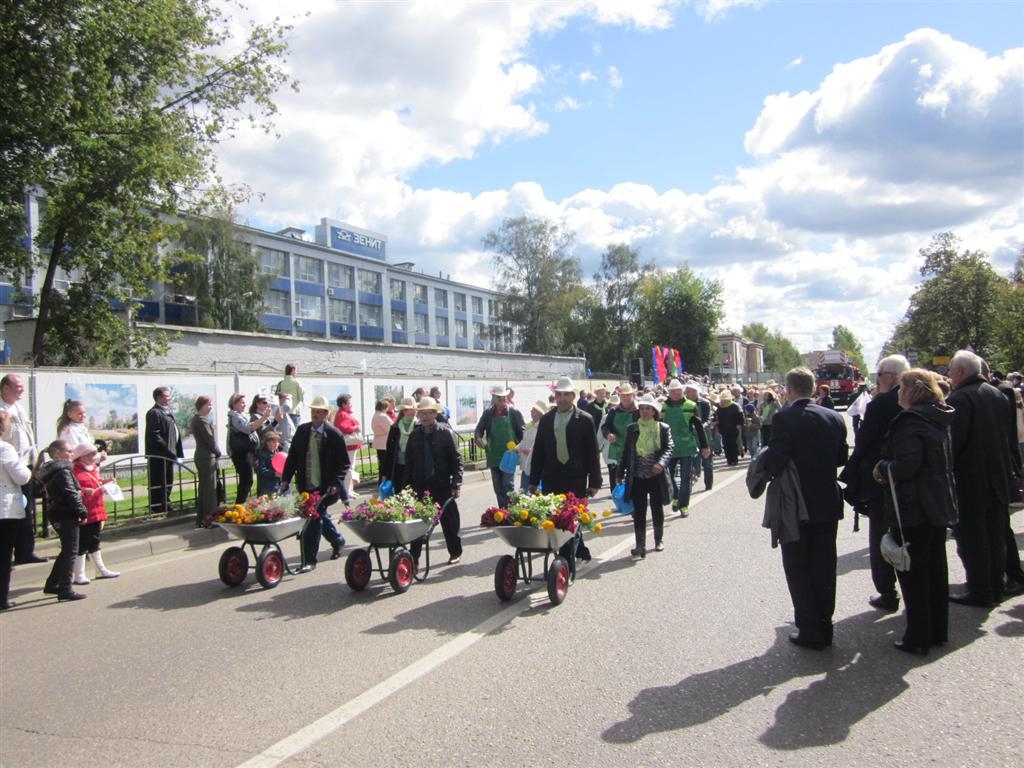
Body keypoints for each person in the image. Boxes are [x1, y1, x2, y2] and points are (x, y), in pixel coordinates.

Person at [761, 367, 849, 650]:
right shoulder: (834, 417)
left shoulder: (784, 417)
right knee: (824, 564)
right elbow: (839, 457)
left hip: (795, 501)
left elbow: (776, 459)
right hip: (826, 498)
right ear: (812, 388)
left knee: (798, 565)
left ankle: (809, 628)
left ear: (788, 389)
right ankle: (825, 623)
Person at [872, 369, 958, 655]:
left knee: (912, 572)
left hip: (913, 505)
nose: (897, 393)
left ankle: (918, 636)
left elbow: (907, 466)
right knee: (934, 569)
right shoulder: (937, 416)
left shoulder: (910, 421)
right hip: (936, 501)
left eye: (901, 389)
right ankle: (936, 630)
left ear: (911, 391)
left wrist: (883, 468)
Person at [946, 350, 1016, 607]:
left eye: (951, 371)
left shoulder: (961, 398)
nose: (949, 376)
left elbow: (954, 443)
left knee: (973, 537)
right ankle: (995, 585)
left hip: (971, 480)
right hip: (997, 476)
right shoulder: (995, 393)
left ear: (961, 372)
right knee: (995, 535)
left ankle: (979, 589)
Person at [839, 354, 909, 612]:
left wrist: (850, 474)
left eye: (878, 375)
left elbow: (865, 441)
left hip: (883, 481)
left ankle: (888, 593)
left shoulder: (883, 404)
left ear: (891, 376)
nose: (876, 381)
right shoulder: (925, 399)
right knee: (912, 538)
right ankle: (916, 595)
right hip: (914, 482)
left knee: (882, 538)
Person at [529, 377, 602, 562]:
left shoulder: (585, 420)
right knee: (555, 519)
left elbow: (592, 453)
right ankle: (578, 551)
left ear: (573, 396)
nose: (562, 398)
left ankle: (565, 561)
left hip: (575, 477)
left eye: (566, 395)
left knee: (571, 518)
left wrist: (594, 482)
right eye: (559, 394)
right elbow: (539, 451)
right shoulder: (546, 420)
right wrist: (533, 480)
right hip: (551, 477)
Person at [281, 395, 349, 568]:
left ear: (326, 414)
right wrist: (286, 479)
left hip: (326, 486)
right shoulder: (303, 431)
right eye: (313, 411)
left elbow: (344, 463)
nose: (315, 414)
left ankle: (309, 560)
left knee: (312, 518)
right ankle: (338, 540)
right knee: (318, 516)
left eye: (319, 411)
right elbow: (293, 458)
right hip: (306, 483)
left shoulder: (334, 434)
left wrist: (336, 482)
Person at [404, 397, 463, 565]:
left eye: (429, 413)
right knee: (418, 524)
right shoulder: (415, 436)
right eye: (422, 413)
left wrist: (456, 483)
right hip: (420, 485)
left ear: (435, 414)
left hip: (442, 484)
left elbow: (456, 460)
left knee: (450, 521)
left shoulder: (445, 433)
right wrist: (405, 487)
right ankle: (413, 560)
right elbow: (409, 463)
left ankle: (455, 552)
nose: (425, 416)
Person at [620, 393, 674, 558]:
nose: (644, 411)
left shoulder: (663, 428)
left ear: (654, 412)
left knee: (657, 508)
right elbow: (626, 451)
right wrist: (620, 472)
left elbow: (670, 447)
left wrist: (661, 463)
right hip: (637, 476)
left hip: (656, 476)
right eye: (642, 408)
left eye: (648, 409)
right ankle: (640, 545)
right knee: (639, 511)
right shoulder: (632, 428)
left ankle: (658, 540)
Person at [0, 373, 45, 564]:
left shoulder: (18, 407)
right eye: (17, 386)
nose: (22, 390)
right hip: (7, 464)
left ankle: (25, 551)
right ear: (6, 388)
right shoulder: (2, 409)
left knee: (27, 509)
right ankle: (10, 551)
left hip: (24, 462)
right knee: (11, 509)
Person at [35, 441, 89, 601]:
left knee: (66, 550)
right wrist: (81, 510)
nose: (72, 453)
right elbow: (70, 493)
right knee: (71, 551)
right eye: (69, 450)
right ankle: (65, 588)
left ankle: (52, 584)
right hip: (65, 513)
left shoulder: (53, 470)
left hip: (57, 512)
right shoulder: (63, 471)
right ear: (58, 453)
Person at [71, 443, 119, 584]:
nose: (94, 457)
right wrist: (85, 491)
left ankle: (100, 569)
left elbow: (96, 483)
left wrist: (107, 482)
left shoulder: (91, 469)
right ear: (82, 456)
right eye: (91, 454)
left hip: (96, 509)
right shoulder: (76, 472)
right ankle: (79, 574)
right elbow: (76, 490)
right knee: (83, 542)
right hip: (86, 512)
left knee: (95, 540)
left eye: (94, 454)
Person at [662, 379, 710, 518]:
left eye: (678, 390)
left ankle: (684, 505)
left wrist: (704, 446)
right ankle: (676, 496)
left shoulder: (691, 406)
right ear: (669, 392)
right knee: (668, 477)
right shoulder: (663, 407)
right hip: (669, 447)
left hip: (687, 447)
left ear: (682, 391)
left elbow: (699, 427)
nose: (675, 393)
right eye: (673, 391)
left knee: (685, 478)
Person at [0, 410, 33, 609]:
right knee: (4, 556)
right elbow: (21, 476)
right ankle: (2, 598)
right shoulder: (5, 449)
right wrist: (25, 464)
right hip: (4, 509)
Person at [474, 386, 524, 510]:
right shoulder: (487, 414)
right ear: (493, 398)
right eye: (499, 399)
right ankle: (502, 512)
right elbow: (479, 429)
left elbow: (523, 433)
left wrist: (519, 447)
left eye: (503, 399)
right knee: (498, 488)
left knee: (508, 486)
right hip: (493, 454)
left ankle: (511, 512)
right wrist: (478, 438)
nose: (502, 401)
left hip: (509, 455)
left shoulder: (514, 413)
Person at [145, 386, 184, 514]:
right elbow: (154, 435)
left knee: (168, 480)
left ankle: (165, 503)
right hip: (159, 455)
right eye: (167, 396)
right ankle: (158, 506)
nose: (169, 398)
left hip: (169, 454)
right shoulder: (154, 413)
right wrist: (167, 451)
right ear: (158, 397)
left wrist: (175, 451)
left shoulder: (166, 412)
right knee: (158, 480)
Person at [226, 393, 271, 504]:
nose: (244, 404)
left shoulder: (240, 415)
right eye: (242, 402)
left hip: (246, 452)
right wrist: (264, 418)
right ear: (234, 404)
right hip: (241, 453)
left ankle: (240, 505)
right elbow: (248, 428)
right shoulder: (235, 416)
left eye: (244, 402)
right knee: (246, 480)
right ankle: (239, 505)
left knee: (247, 480)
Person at [601, 383, 639, 489]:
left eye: (628, 395)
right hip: (617, 450)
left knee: (635, 482)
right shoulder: (613, 411)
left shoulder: (639, 410)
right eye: (623, 395)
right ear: (619, 397)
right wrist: (608, 434)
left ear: (632, 395)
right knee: (616, 482)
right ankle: (618, 503)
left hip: (636, 450)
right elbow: (605, 427)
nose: (626, 398)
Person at [190, 395, 221, 528]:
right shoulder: (202, 420)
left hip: (202, 456)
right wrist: (218, 452)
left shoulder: (197, 419)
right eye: (209, 404)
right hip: (207, 457)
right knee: (209, 490)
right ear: (202, 405)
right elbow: (210, 439)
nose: (211, 407)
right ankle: (210, 519)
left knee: (204, 489)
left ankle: (202, 519)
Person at [381, 397, 418, 493]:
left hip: (415, 468)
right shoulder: (395, 427)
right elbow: (389, 451)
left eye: (413, 409)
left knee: (414, 495)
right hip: (399, 467)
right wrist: (385, 473)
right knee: (400, 494)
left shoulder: (419, 426)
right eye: (407, 409)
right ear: (403, 411)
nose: (411, 412)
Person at [517, 400, 551, 491]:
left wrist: (531, 451)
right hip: (525, 464)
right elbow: (523, 441)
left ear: (540, 413)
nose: (531, 412)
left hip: (535, 465)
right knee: (524, 490)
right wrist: (516, 449)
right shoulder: (529, 425)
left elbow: (540, 444)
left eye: (533, 410)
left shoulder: (543, 427)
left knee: (534, 491)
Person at [334, 393, 362, 499]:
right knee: (349, 468)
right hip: (349, 446)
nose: (351, 404)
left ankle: (349, 489)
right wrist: (355, 428)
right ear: (343, 404)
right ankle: (347, 491)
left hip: (350, 446)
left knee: (350, 467)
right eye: (349, 402)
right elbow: (342, 427)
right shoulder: (343, 414)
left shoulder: (343, 413)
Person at [689, 383, 715, 491]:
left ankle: (708, 484)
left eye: (690, 391)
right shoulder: (685, 404)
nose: (688, 393)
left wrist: (701, 427)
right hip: (691, 438)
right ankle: (692, 480)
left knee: (707, 463)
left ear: (696, 392)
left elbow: (709, 419)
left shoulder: (705, 403)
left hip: (704, 436)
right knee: (692, 463)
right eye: (687, 391)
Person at [714, 390, 744, 466]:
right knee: (726, 444)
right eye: (722, 399)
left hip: (734, 428)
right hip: (724, 429)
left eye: (725, 399)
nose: (723, 401)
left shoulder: (735, 406)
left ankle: (735, 459)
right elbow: (716, 416)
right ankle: (729, 460)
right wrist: (716, 424)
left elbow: (740, 416)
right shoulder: (720, 407)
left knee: (733, 444)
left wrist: (739, 424)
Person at [256, 432, 283, 496]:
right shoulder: (263, 455)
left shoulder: (277, 454)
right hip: (266, 486)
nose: (276, 444)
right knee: (266, 504)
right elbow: (261, 470)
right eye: (273, 442)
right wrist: (274, 473)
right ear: (267, 442)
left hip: (276, 485)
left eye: (277, 442)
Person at [370, 399, 393, 477]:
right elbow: (389, 430)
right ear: (384, 407)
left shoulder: (376, 414)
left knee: (383, 465)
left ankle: (382, 482)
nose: (387, 409)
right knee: (386, 466)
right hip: (385, 443)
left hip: (380, 442)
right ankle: (385, 483)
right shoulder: (382, 416)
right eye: (387, 407)